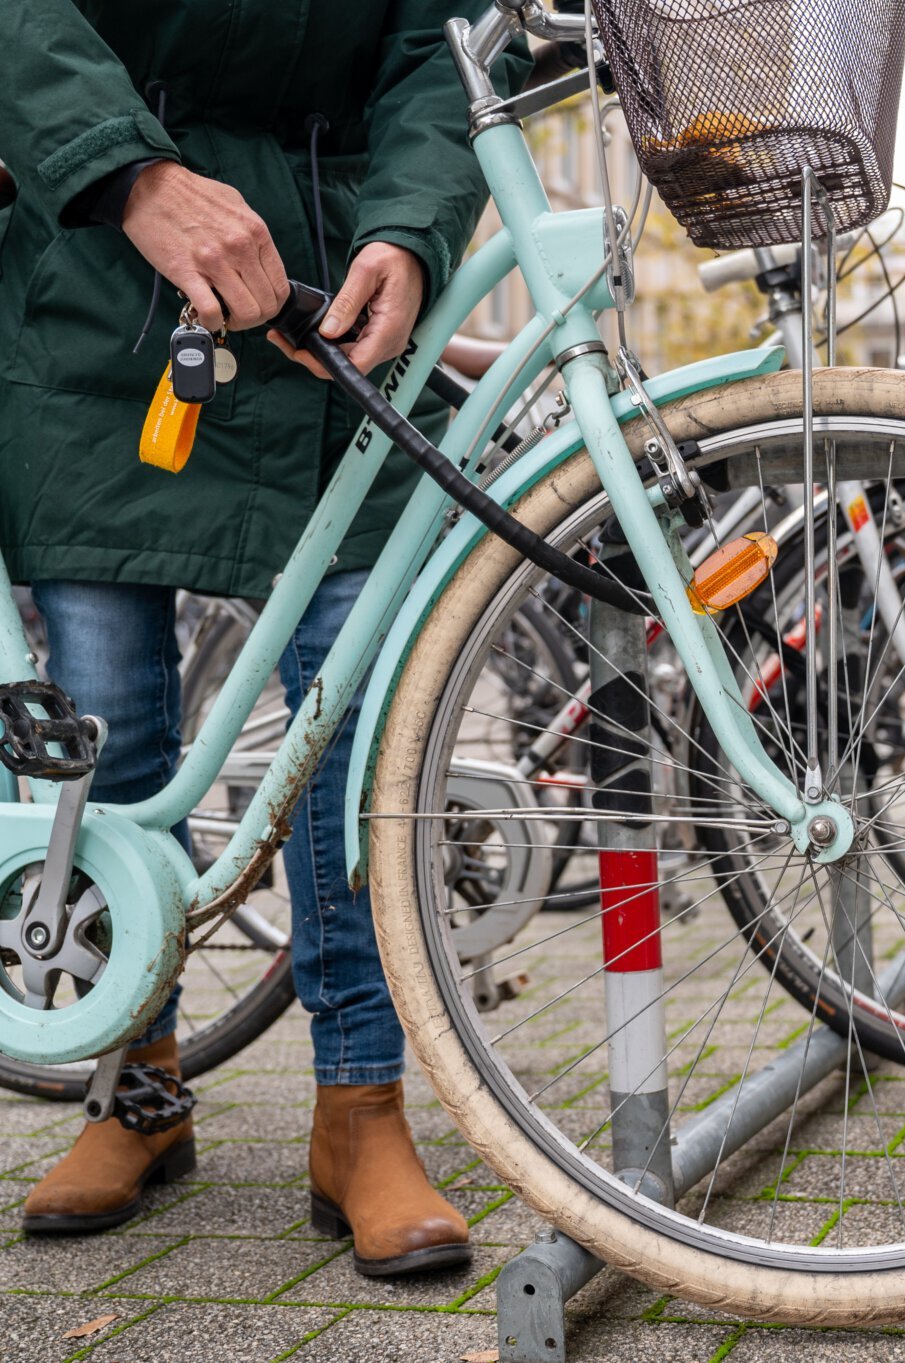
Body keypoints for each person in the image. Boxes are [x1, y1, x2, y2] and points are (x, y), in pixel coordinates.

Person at [0, 4, 525, 1274]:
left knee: (353, 751)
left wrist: (412, 228)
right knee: (107, 743)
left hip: (322, 303)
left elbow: (442, 40)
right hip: (96, 295)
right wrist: (131, 173)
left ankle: (361, 1108)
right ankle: (136, 1090)